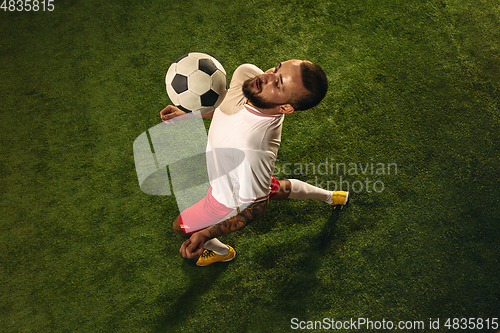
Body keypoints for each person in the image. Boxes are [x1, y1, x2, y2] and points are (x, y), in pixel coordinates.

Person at [160, 59, 349, 266]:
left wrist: (205, 234)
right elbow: (226, 107)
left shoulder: (253, 150)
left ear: (285, 107)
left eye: (278, 83)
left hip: (225, 198)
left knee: (180, 226)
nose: (265, 77)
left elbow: (257, 207)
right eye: (276, 68)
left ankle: (223, 252)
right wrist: (188, 115)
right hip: (247, 177)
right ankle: (333, 197)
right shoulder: (248, 77)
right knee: (273, 187)